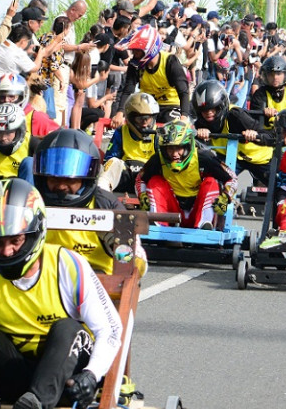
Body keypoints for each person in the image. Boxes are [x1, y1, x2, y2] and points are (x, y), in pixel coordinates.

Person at [0, 177, 122, 409]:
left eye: (15, 240)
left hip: (64, 378)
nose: (6, 251)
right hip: (14, 373)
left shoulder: (68, 264)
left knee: (68, 328)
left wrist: (92, 374)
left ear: (34, 232)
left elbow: (110, 329)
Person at [33, 128, 147, 276]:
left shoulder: (105, 204)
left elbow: (140, 264)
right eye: (54, 179)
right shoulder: (32, 203)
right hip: (47, 279)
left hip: (100, 282)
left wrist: (119, 245)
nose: (61, 186)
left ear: (86, 179)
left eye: (69, 180)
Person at [135, 118, 236, 230]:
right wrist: (142, 195)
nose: (174, 154)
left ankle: (204, 223)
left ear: (188, 146)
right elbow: (140, 179)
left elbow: (232, 178)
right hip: (171, 212)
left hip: (197, 208)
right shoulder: (158, 159)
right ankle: (157, 222)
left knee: (211, 182)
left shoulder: (205, 158)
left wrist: (225, 197)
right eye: (170, 149)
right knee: (155, 181)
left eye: (179, 148)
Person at [192, 79, 268, 184]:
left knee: (280, 187)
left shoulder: (237, 115)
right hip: (231, 159)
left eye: (213, 109)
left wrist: (255, 135)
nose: (208, 113)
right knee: (212, 181)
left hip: (259, 159)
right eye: (204, 110)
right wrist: (200, 135)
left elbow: (267, 135)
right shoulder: (201, 122)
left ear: (220, 106)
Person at [113, 24, 190, 127]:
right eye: (133, 50)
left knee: (171, 127)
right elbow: (128, 89)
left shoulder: (170, 61)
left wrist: (184, 117)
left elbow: (184, 91)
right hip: (146, 106)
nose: (134, 54)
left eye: (137, 51)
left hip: (171, 105)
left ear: (149, 49)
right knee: (133, 123)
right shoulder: (135, 64)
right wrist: (120, 113)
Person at [102, 91, 158, 193]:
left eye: (148, 119)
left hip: (148, 178)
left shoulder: (159, 134)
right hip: (126, 175)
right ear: (131, 118)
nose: (145, 124)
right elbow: (110, 159)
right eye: (140, 119)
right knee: (112, 163)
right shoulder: (121, 131)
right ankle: (102, 194)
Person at [249, 54, 286, 131]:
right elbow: (255, 120)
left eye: (278, 74)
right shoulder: (260, 93)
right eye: (271, 74)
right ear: (266, 76)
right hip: (267, 133)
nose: (275, 77)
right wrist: (264, 114)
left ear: (284, 74)